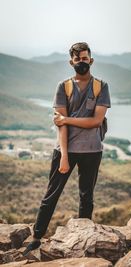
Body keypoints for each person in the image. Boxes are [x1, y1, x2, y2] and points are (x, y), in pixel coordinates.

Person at [23, 42, 111, 256]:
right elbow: (61, 127)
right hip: (65, 150)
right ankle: (36, 237)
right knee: (51, 194)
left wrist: (66, 119)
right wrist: (63, 155)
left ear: (91, 60)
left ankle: (85, 237)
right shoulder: (64, 86)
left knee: (86, 196)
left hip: (92, 150)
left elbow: (96, 122)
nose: (81, 62)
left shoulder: (101, 86)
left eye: (85, 58)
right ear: (71, 62)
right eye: (77, 59)